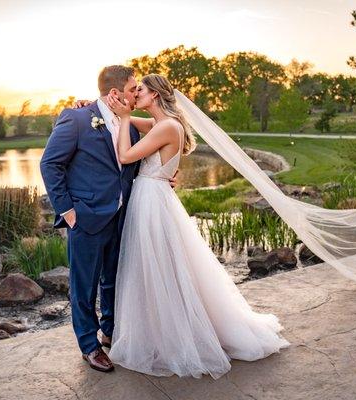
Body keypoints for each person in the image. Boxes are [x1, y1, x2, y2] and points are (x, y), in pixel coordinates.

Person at [103, 74, 290, 379]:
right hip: (152, 197)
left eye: (141, 91)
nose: (136, 94)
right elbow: (131, 120)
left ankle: (175, 337)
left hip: (152, 201)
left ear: (156, 95)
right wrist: (114, 110)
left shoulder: (167, 127)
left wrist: (124, 118)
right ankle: (164, 330)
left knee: (160, 266)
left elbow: (125, 156)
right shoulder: (160, 124)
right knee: (159, 266)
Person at [40, 66, 177, 373]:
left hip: (124, 217)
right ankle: (89, 345)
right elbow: (50, 165)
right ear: (115, 93)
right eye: (132, 90)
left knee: (115, 280)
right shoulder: (77, 119)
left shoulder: (130, 125)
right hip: (86, 219)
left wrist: (167, 174)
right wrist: (68, 211)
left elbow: (138, 160)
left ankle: (110, 331)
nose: (136, 94)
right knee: (84, 286)